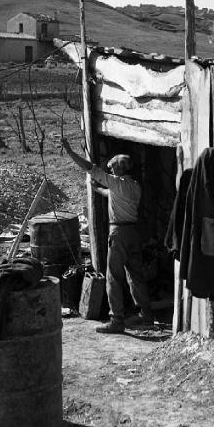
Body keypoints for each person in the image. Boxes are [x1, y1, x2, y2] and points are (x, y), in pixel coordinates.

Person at [61, 138, 154, 333]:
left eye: (112, 169)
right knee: (135, 275)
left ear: (119, 170)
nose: (110, 171)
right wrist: (98, 189)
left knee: (113, 277)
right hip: (133, 233)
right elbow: (114, 194)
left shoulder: (115, 182)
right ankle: (146, 315)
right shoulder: (134, 186)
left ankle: (117, 320)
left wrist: (70, 152)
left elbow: (90, 167)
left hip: (118, 233)